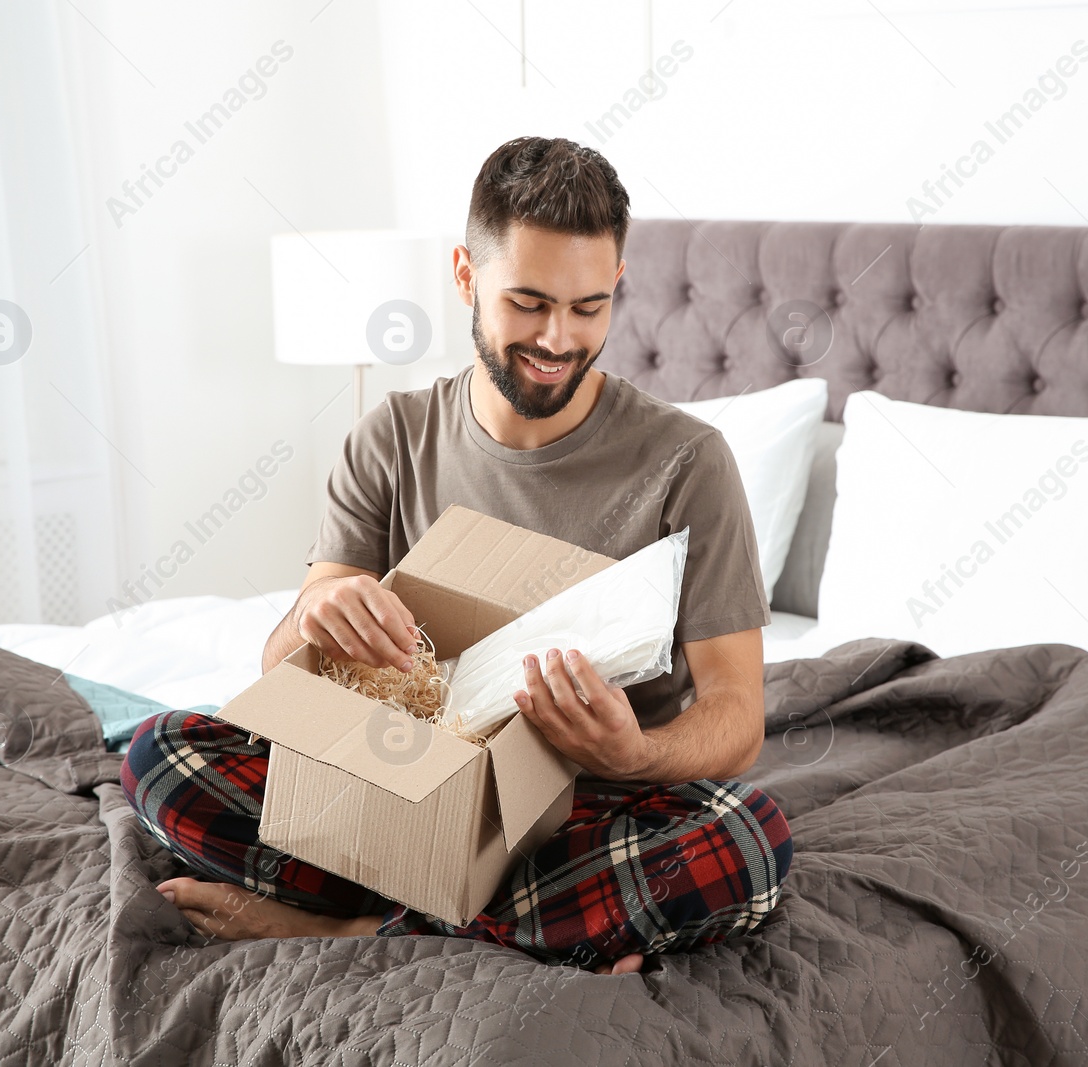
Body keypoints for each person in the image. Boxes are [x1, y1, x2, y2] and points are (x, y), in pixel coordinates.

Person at [121, 136, 792, 975]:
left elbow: (737, 716)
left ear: (619, 287)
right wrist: (315, 620)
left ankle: (349, 932)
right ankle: (514, 929)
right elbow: (281, 672)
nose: (558, 338)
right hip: (391, 793)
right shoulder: (391, 438)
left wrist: (632, 754)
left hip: (581, 819)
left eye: (589, 308)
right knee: (160, 754)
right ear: (466, 278)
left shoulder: (689, 463)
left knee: (747, 840)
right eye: (528, 302)